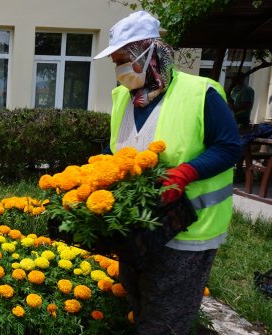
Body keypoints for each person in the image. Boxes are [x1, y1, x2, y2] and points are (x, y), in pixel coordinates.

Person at [93, 11, 242, 335]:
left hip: (186, 229)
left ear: (148, 53)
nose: (119, 69)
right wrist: (97, 168)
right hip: (138, 229)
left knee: (165, 321)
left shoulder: (201, 94)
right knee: (140, 304)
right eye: (115, 62)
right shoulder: (123, 98)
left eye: (123, 59)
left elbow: (230, 147)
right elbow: (121, 150)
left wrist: (187, 172)